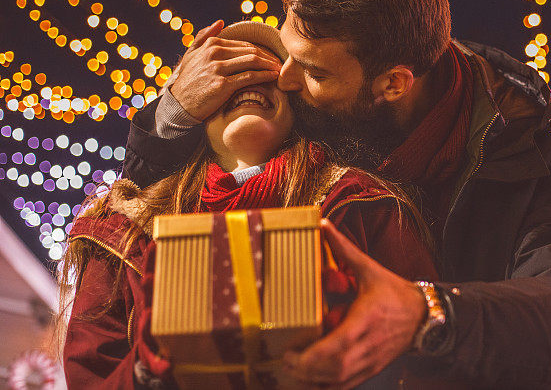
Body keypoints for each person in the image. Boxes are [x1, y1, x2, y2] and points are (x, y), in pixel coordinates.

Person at [123, 0, 551, 389]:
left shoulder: (527, 137)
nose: (286, 79)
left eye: (315, 71)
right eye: (287, 50)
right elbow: (148, 203)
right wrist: (172, 112)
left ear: (393, 83)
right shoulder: (302, 101)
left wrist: (427, 315)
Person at [54, 21, 438, 389]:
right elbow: (92, 376)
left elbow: (425, 355)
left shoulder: (361, 205)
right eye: (227, 75)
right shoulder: (123, 232)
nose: (249, 81)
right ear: (194, 109)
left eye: (266, 71)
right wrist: (149, 370)